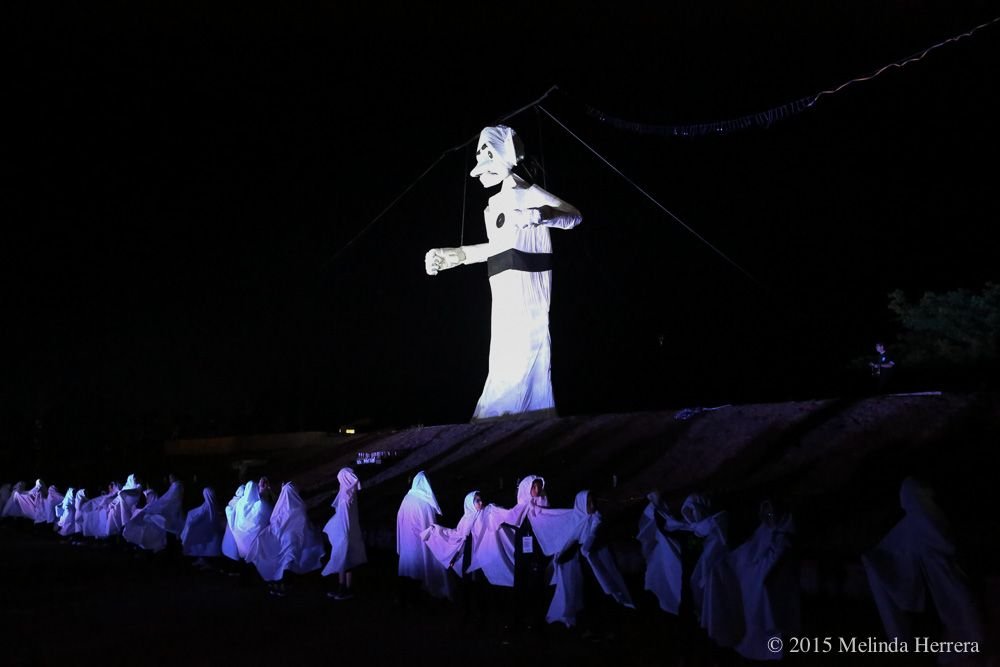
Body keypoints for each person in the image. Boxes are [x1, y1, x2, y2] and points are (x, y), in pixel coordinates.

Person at [425, 125, 583, 421]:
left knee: (524, 358)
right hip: (502, 288)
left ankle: (510, 420)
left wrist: (542, 216)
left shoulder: (527, 192)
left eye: (488, 153)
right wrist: (457, 256)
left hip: (528, 287)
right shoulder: (492, 206)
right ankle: (504, 422)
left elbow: (574, 216)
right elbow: (498, 247)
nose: (482, 165)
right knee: (502, 360)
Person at [862, 477, 985, 649]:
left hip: (938, 576)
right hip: (933, 578)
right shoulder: (912, 525)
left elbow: (944, 542)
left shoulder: (921, 519)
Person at [397, 471, 453, 602]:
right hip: (419, 543)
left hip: (407, 542)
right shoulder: (424, 503)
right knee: (421, 569)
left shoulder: (406, 498)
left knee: (410, 571)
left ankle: (409, 599)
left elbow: (399, 520)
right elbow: (430, 526)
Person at [322, 468, 367, 600]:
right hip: (348, 532)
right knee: (345, 562)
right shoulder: (349, 493)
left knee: (345, 561)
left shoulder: (346, 496)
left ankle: (345, 589)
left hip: (345, 533)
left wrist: (342, 534)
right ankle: (343, 587)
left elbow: (344, 517)